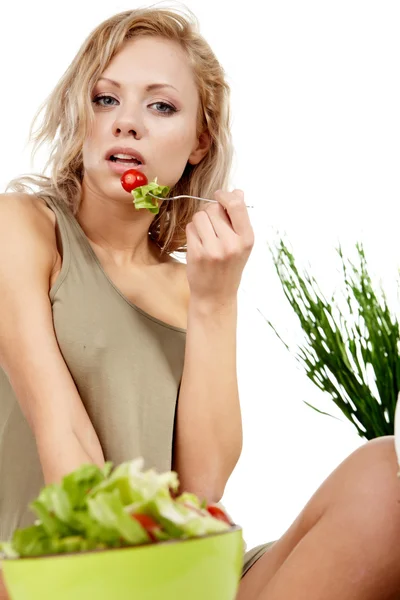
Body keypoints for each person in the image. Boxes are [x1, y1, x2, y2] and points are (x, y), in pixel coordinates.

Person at [0, 6, 399, 600]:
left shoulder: (193, 285)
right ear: (80, 114)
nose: (125, 123)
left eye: (160, 106)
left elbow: (202, 486)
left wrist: (215, 300)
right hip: (71, 569)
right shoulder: (24, 228)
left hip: (181, 577)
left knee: (386, 475)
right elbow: (68, 453)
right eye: (106, 99)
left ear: (198, 140)